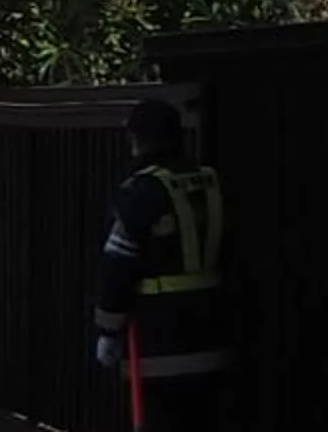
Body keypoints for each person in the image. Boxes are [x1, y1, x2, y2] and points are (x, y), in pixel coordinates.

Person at [92, 96, 227, 431]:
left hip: (158, 339)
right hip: (213, 330)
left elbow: (117, 265)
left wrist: (109, 329)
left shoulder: (142, 191)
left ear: (135, 139)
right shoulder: (211, 182)